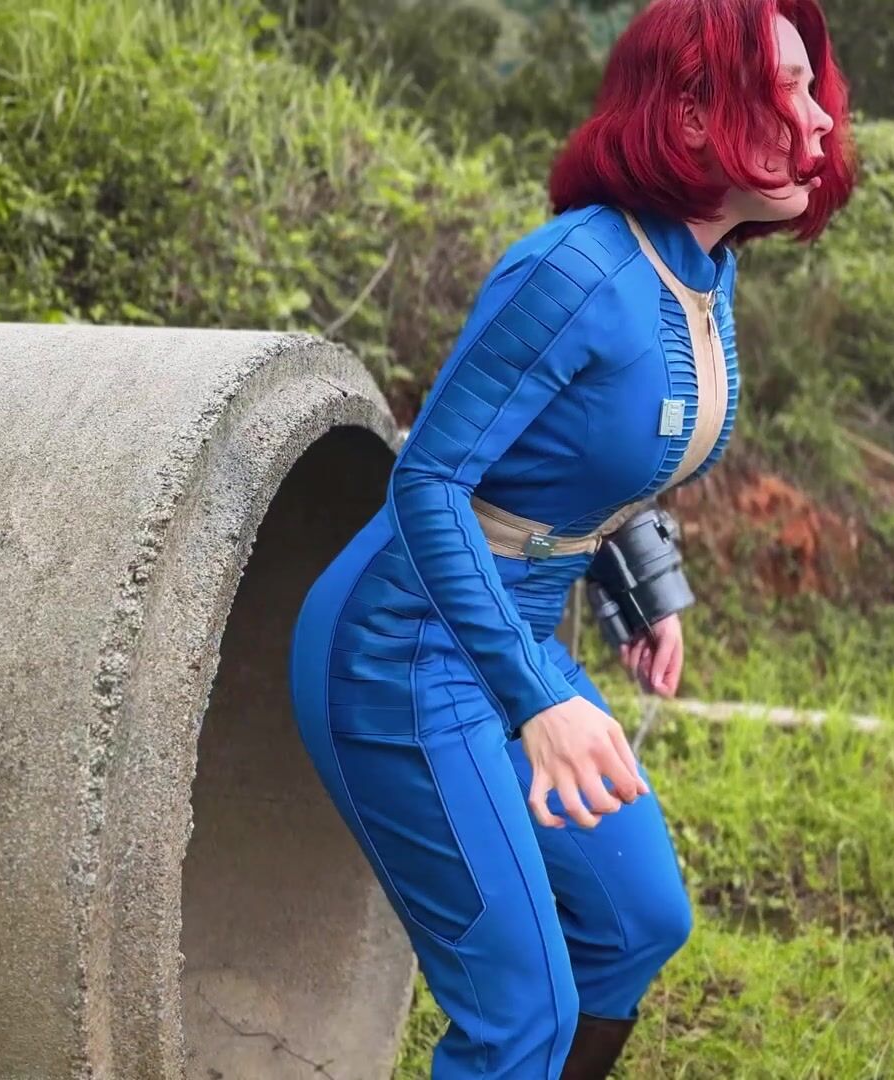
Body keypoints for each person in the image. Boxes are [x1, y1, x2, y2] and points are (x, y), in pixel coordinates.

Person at [288, 1, 855, 1075]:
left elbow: (610, 453)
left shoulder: (703, 270)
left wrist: (643, 586)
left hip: (512, 630)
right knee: (522, 1015)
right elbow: (429, 479)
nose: (821, 117)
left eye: (812, 86)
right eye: (789, 86)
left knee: (638, 923)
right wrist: (536, 700)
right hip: (403, 645)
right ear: (693, 114)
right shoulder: (572, 272)